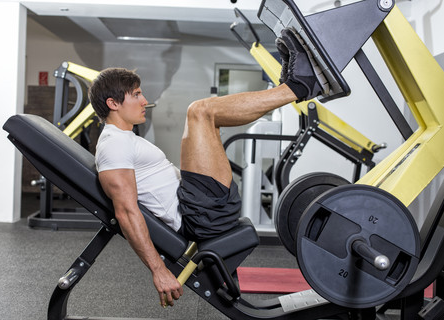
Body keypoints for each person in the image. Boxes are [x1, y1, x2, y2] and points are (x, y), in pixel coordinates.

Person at [88, 27, 323, 308]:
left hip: (197, 205)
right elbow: (125, 212)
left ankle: (292, 86)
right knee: (200, 111)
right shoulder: (113, 145)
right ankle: (299, 86)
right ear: (113, 103)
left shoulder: (124, 138)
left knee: (205, 114)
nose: (144, 100)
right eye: (136, 95)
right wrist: (159, 271)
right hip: (200, 215)